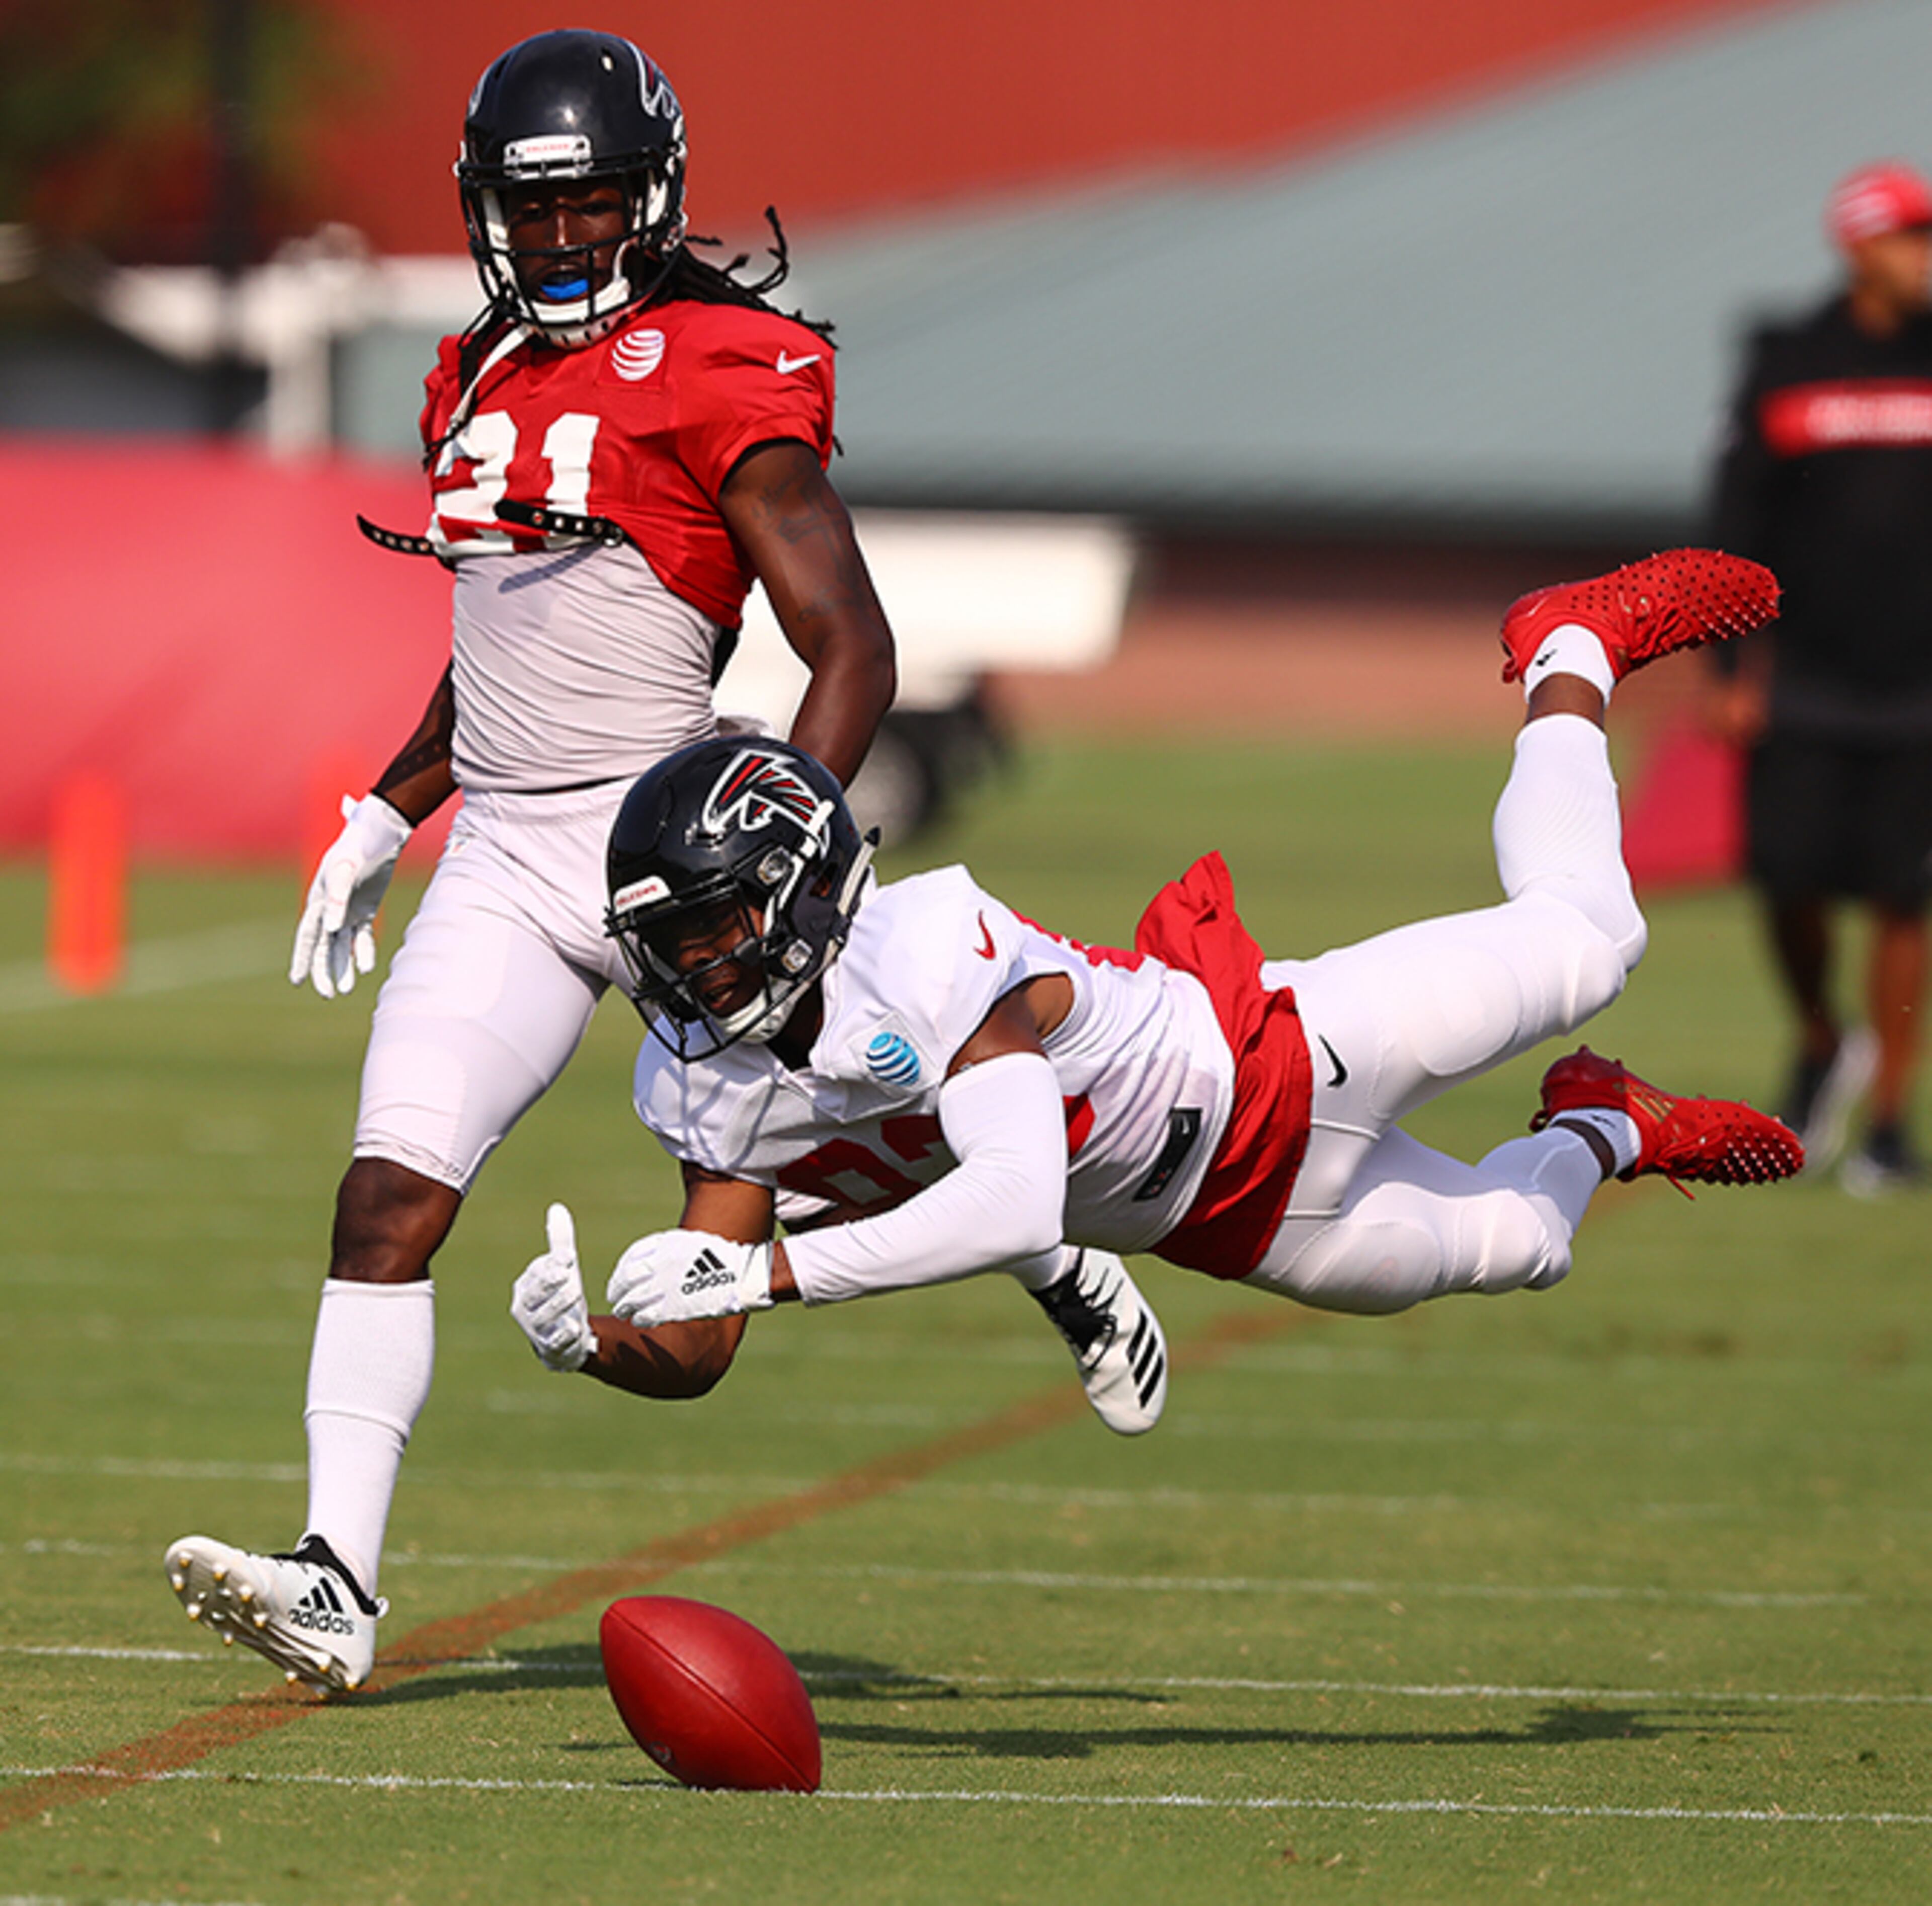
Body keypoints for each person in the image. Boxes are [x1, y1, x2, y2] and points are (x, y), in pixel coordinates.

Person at [160, 28, 916, 1693]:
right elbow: (494, 633)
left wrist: (785, 829)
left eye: (591, 206)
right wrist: (387, 805)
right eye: (533, 206)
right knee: (385, 1198)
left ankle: (1065, 1239)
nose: (563, 236)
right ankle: (338, 1582)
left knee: (714, 1312)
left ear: (650, 203)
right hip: (503, 851)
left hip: (671, 855)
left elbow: (850, 640)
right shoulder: (472, 373)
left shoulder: (728, 362)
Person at [503, 550, 1802, 1420]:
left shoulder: (924, 949)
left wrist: (772, 1276)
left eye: (717, 925)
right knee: (1534, 1244)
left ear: (797, 890)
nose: (694, 968)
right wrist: (600, 1343)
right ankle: (1608, 1118)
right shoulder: (703, 1083)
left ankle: (1573, 642)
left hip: (1283, 1053)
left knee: (1590, 938)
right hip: (1223, 1220)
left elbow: (1012, 1203)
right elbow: (702, 1330)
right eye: (671, 942)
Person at [1707, 159, 1932, 1191]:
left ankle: (1886, 1125)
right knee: (1787, 874)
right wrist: (1726, 663)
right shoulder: (1790, 358)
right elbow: (1738, 515)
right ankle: (1819, 1036)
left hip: (1920, 681)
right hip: (1801, 675)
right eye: (1910, 237)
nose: (1925, 257)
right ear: (1857, 245)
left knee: (1905, 896)